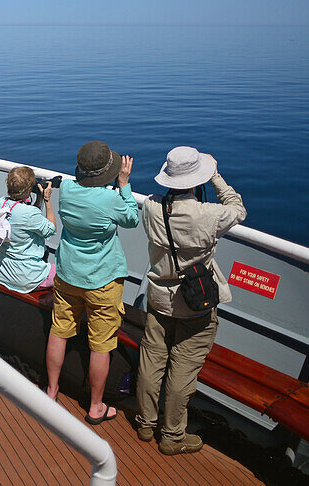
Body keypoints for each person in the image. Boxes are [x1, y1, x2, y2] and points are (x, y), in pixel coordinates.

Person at [134, 147, 246, 455]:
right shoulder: (209, 215)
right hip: (194, 304)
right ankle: (172, 435)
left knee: (152, 358)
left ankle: (145, 422)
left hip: (158, 296)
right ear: (197, 177)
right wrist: (216, 177)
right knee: (182, 367)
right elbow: (238, 208)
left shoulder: (152, 207)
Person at [46, 141, 138, 426]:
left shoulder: (69, 190)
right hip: (102, 280)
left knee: (60, 330)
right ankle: (96, 406)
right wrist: (124, 184)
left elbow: (78, 186)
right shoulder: (111, 200)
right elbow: (132, 218)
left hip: (68, 274)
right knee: (101, 343)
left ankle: (50, 391)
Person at [0, 167, 57, 293]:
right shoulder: (29, 214)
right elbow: (51, 229)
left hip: (2, 272)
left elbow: (24, 219)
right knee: (66, 273)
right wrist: (47, 200)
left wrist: (39, 198)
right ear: (29, 189)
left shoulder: (1, 203)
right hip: (26, 277)